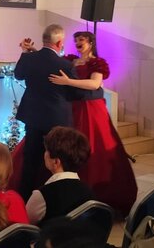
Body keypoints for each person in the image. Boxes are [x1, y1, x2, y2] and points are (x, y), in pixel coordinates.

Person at [47, 30, 138, 214]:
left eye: (81, 39)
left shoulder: (97, 62)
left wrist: (68, 82)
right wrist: (31, 51)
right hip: (74, 108)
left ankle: (97, 193)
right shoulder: (72, 60)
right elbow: (52, 60)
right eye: (76, 40)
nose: (77, 42)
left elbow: (95, 84)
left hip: (91, 109)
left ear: (90, 42)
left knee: (95, 145)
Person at [10, 24, 78, 202]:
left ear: (44, 40)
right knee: (59, 162)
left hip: (33, 117)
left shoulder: (29, 58)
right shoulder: (65, 65)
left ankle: (25, 200)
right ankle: (57, 200)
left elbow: (18, 75)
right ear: (60, 42)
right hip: (57, 120)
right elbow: (74, 93)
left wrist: (25, 52)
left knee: (30, 161)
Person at [26, 126, 94, 226]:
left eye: (46, 150)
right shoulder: (88, 191)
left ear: (56, 162)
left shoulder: (42, 195)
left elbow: (26, 225)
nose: (44, 153)